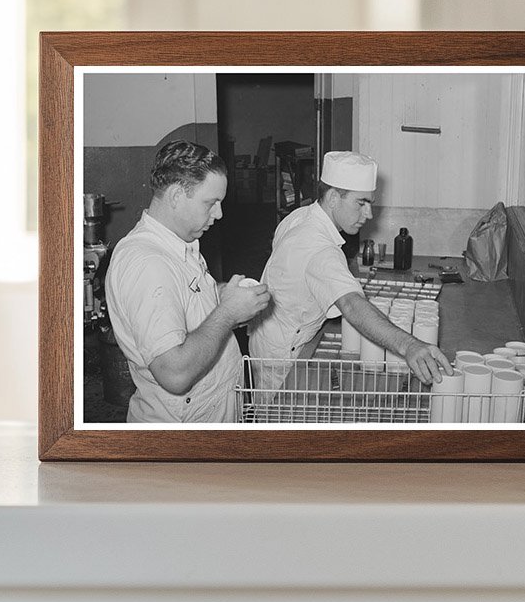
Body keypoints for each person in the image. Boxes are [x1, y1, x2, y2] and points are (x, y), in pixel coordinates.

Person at [247, 150, 453, 390]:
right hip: (282, 355)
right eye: (361, 203)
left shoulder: (300, 216)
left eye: (370, 203)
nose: (369, 214)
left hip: (267, 335)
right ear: (333, 197)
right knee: (279, 409)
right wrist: (409, 346)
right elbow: (351, 305)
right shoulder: (319, 247)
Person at [106, 139, 270, 423]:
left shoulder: (178, 243)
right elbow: (174, 374)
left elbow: (184, 302)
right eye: (211, 203)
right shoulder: (148, 264)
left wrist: (222, 295)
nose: (219, 214)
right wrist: (228, 312)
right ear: (176, 196)